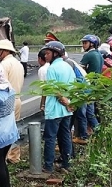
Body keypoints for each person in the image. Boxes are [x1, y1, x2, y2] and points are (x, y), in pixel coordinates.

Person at [41, 41, 74, 173]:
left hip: (54, 110)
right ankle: (66, 164)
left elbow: (53, 89)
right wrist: (69, 102)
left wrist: (63, 99)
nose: (46, 56)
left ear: (55, 53)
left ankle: (48, 166)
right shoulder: (68, 67)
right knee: (65, 136)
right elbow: (73, 86)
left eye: (48, 53)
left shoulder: (52, 69)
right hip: (66, 110)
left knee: (50, 138)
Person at [0, 39, 24, 163]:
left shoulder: (4, 65)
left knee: (2, 131)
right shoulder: (18, 63)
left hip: (6, 101)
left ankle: (2, 158)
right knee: (14, 130)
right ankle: (14, 156)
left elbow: (1, 85)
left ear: (4, 51)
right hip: (17, 99)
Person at [76, 35, 102, 143]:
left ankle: (83, 136)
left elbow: (80, 70)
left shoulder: (89, 55)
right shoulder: (99, 54)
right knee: (90, 113)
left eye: (85, 43)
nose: (83, 45)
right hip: (95, 86)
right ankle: (99, 133)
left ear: (91, 44)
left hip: (87, 86)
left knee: (82, 113)